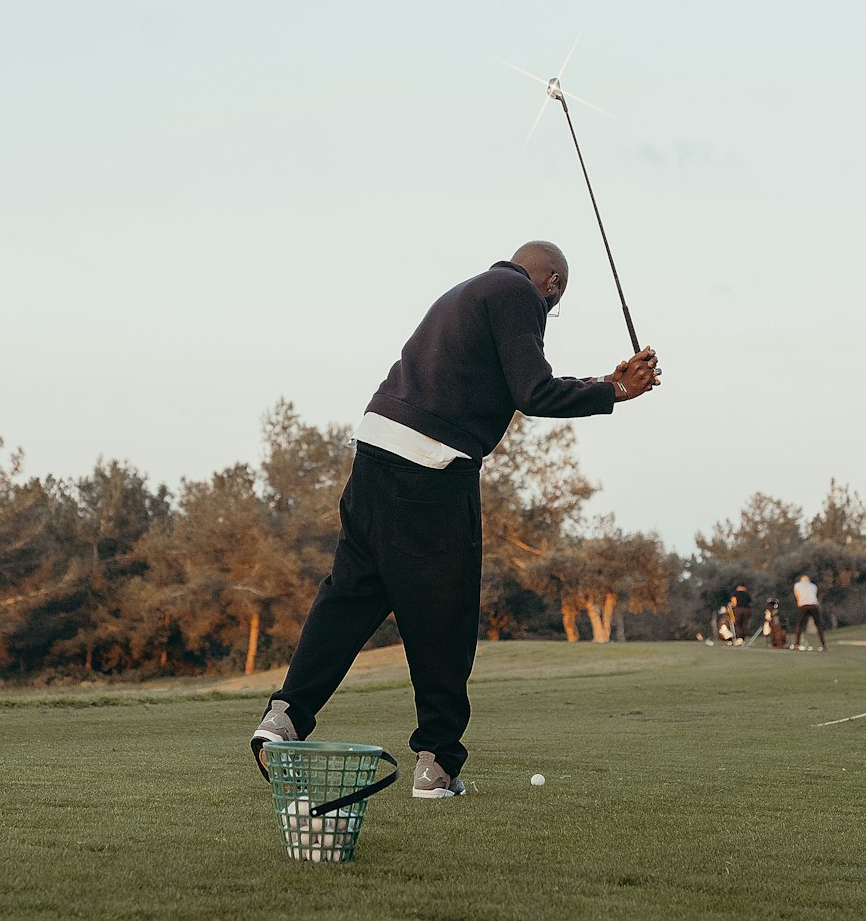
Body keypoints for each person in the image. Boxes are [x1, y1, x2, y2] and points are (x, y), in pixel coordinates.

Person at [249, 241, 661, 797]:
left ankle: (285, 717)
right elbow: (533, 391)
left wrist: (601, 382)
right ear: (552, 285)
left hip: (374, 451)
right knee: (444, 614)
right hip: (433, 468)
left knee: (350, 594)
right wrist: (614, 390)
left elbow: (509, 381)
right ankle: (437, 764)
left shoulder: (465, 293)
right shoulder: (519, 293)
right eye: (554, 305)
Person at [791, 574, 827, 650]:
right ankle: (823, 644)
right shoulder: (813, 586)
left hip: (803, 605)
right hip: (814, 605)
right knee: (818, 625)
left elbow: (797, 595)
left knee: (800, 625)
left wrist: (799, 603)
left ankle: (797, 644)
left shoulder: (797, 585)